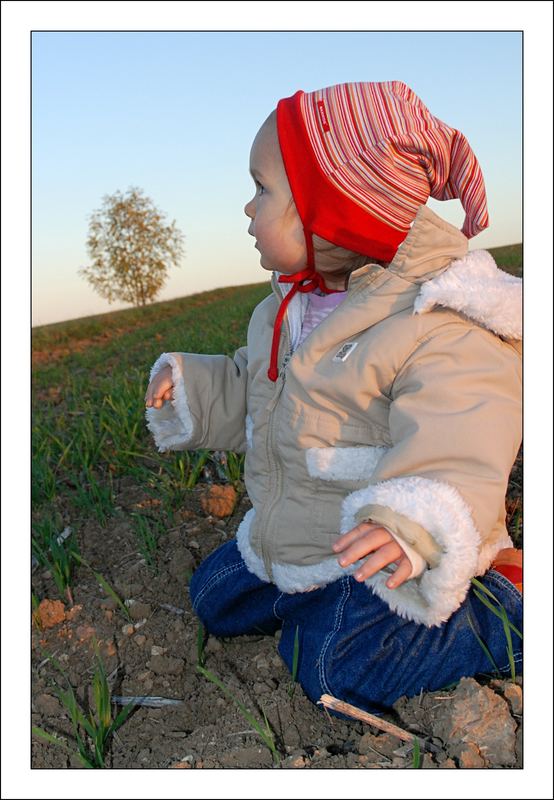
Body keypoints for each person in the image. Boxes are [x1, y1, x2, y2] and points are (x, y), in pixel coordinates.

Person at [144, 81, 522, 716]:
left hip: (391, 551)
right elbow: (257, 387)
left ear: (339, 206)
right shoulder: (287, 307)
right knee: (213, 596)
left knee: (331, 663)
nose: (247, 208)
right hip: (301, 540)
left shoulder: (436, 316)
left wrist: (411, 527)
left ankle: (506, 605)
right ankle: (301, 595)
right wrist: (194, 389)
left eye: (262, 188)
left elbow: (463, 432)